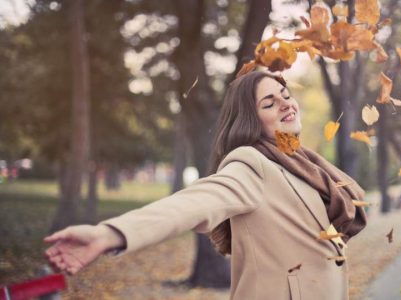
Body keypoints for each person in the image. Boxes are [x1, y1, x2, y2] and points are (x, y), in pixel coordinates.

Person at [44, 71, 367, 299]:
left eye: (285, 95)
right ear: (250, 121)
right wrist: (109, 234)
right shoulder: (251, 163)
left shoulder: (302, 163)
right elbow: (192, 204)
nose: (286, 104)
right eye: (269, 103)